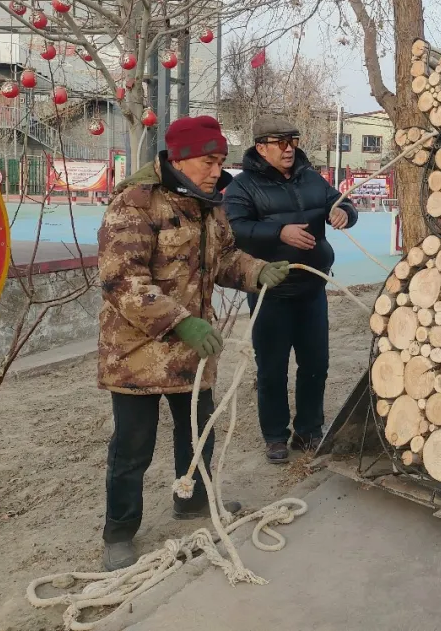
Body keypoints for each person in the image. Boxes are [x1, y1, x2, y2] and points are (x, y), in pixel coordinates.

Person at [96, 115, 291, 571]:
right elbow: (122, 281)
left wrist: (256, 271)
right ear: (180, 159)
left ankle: (193, 500)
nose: (216, 171)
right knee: (133, 447)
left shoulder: (209, 204)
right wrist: (181, 322)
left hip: (191, 352)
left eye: (221, 161)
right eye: (209, 161)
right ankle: (119, 532)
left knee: (199, 432)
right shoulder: (135, 203)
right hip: (138, 353)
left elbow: (223, 257)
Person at [223, 116, 358, 464]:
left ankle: (309, 430)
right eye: (280, 142)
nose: (288, 149)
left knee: (316, 364)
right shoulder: (242, 187)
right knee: (272, 369)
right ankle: (275, 436)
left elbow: (342, 202)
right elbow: (234, 229)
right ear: (261, 147)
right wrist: (279, 232)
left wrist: (344, 212)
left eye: (293, 141)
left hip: (312, 288)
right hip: (271, 294)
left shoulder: (311, 178)